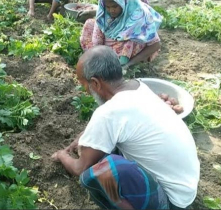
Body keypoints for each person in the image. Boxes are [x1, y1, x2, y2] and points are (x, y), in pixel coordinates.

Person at [51, 46, 200, 209]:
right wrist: (86, 135)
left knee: (98, 173)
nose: (86, 91)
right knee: (107, 153)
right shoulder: (139, 87)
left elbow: (80, 168)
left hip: (171, 202)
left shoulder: (108, 114)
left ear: (95, 83)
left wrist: (61, 155)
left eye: (85, 85)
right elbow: (120, 120)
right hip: (185, 190)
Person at [78, 0, 162, 69]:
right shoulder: (104, 14)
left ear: (123, 3)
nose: (111, 10)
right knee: (89, 24)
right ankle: (101, 58)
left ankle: (120, 64)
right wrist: (98, 53)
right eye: (108, 7)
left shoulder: (138, 16)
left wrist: (129, 64)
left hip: (126, 49)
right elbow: (97, 38)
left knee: (131, 41)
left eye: (115, 7)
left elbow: (156, 44)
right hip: (107, 47)